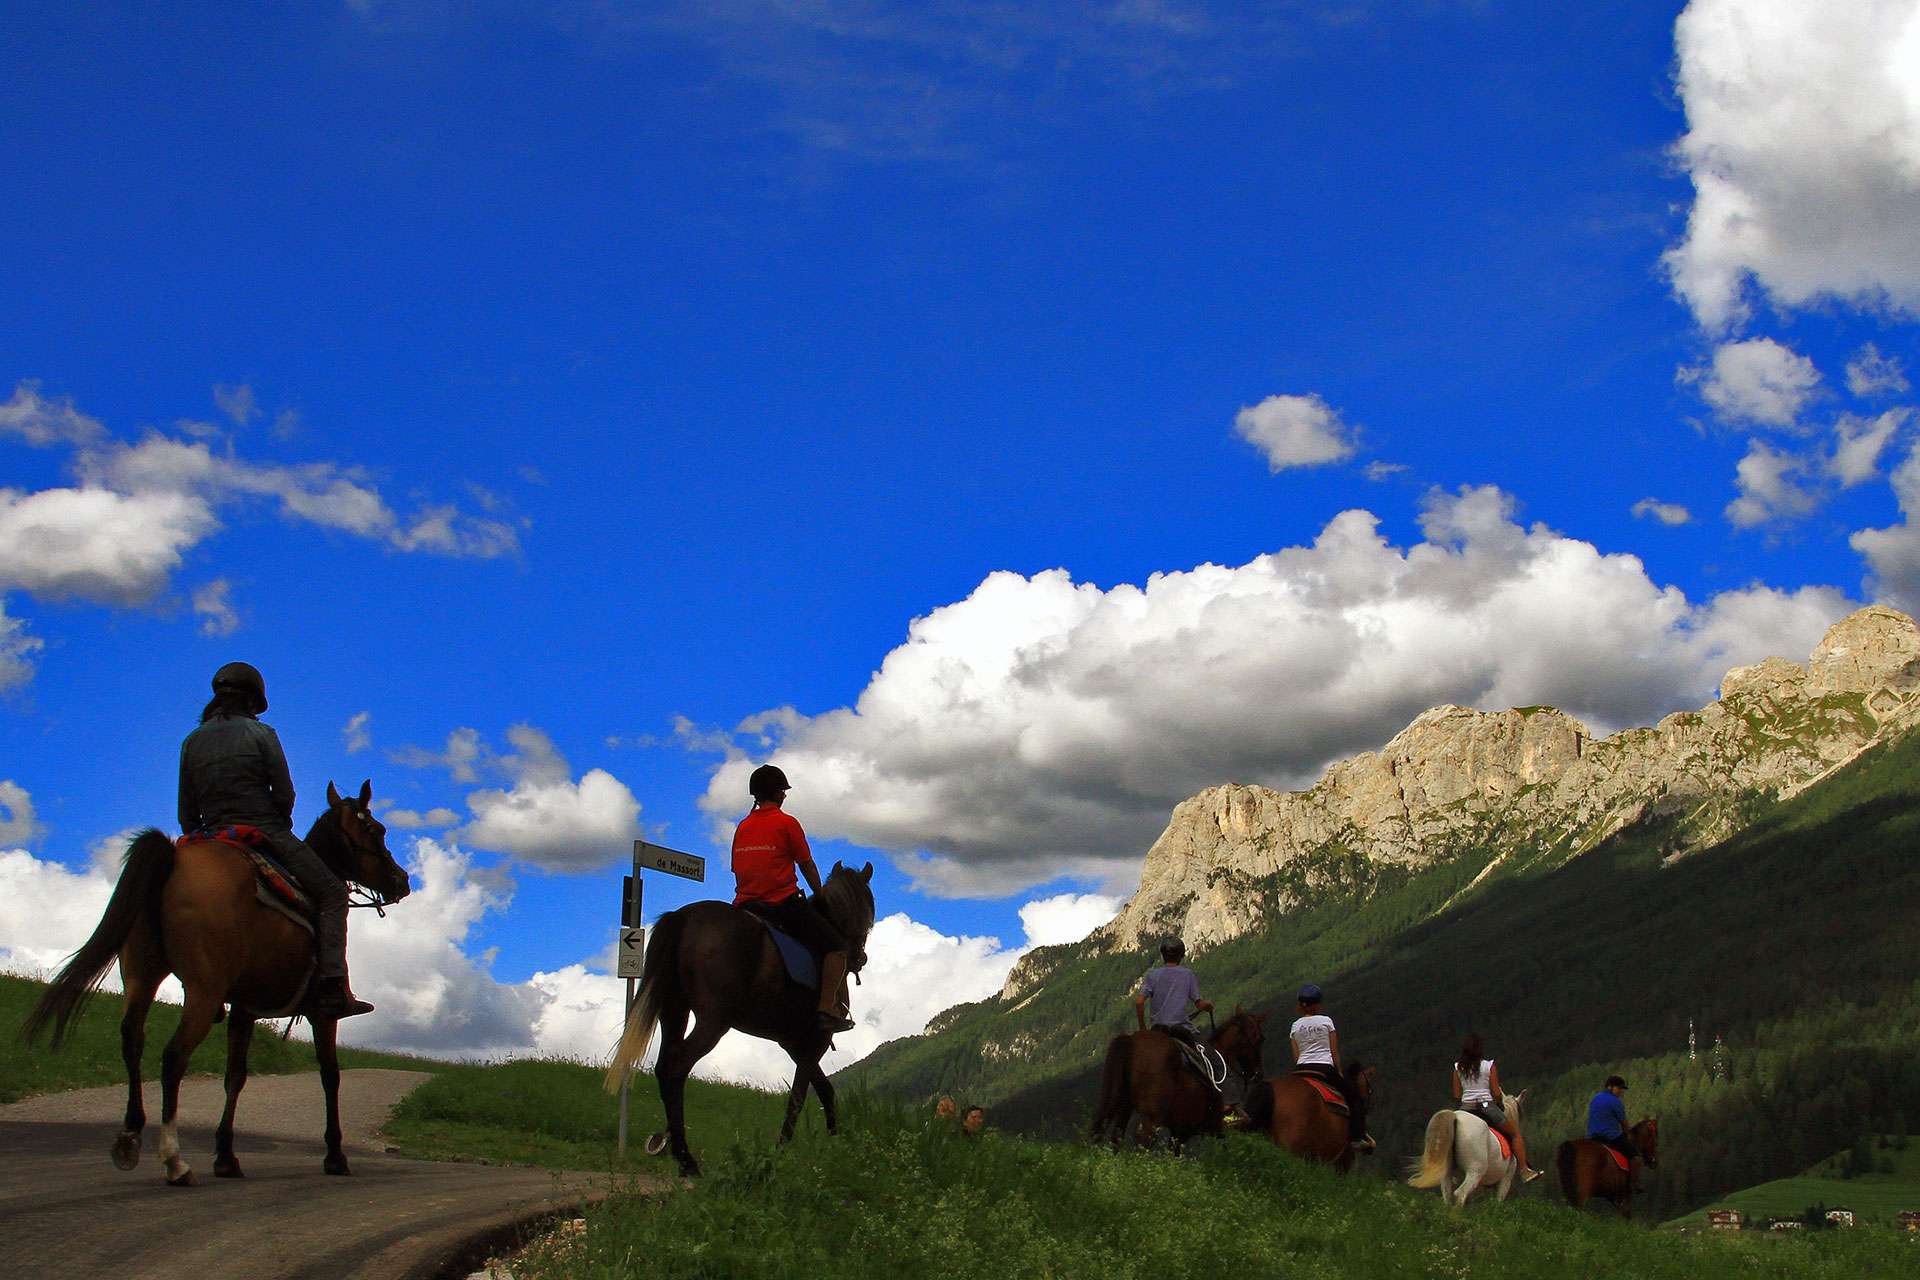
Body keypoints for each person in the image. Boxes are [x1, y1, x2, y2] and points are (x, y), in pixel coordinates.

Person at [178, 662, 372, 1019]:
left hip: (208, 835)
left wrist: (200, 837)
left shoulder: (192, 741)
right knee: (333, 893)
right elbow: (284, 792)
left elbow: (186, 811)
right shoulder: (262, 734)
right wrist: (279, 825)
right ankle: (332, 985)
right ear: (252, 700)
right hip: (263, 828)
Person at [731, 763, 855, 1035]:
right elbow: (806, 865)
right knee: (837, 948)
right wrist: (820, 895)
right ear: (777, 793)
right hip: (781, 903)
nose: (785, 795)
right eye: (783, 791)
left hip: (744, 904)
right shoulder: (787, 823)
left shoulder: (742, 826)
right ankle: (826, 1009)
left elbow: (736, 868)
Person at [1289, 983, 1372, 1151]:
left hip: (1301, 1069)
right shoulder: (1326, 1021)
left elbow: (1296, 1055)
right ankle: (1356, 1138)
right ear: (1318, 1004)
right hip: (1324, 1068)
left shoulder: (1295, 1026)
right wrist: (1338, 1071)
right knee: (1354, 1098)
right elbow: (1334, 1052)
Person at [1453, 1032, 1541, 1181]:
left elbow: (1456, 1094)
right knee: (1515, 1134)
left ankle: (1452, 1172)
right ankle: (1524, 1170)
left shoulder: (1457, 1068)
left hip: (1466, 1108)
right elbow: (1496, 1092)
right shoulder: (1488, 1066)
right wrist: (1499, 1103)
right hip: (1486, 1106)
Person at [1134, 937, 1214, 1047]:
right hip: (1182, 1029)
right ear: (1181, 956)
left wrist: (1143, 1028)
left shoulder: (1152, 975)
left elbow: (1139, 1002)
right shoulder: (1187, 974)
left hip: (1158, 1031)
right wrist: (1208, 1005)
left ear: (1163, 955)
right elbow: (1200, 1004)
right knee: (1208, 1053)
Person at [1586, 1074, 1643, 1190]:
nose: (1621, 1091)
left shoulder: (1595, 1098)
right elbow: (1624, 1124)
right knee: (1635, 1157)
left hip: (1592, 1136)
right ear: (1610, 1087)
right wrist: (1629, 1134)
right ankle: (1634, 1184)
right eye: (1619, 1088)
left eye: (1622, 1089)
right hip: (1610, 1136)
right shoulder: (1616, 1102)